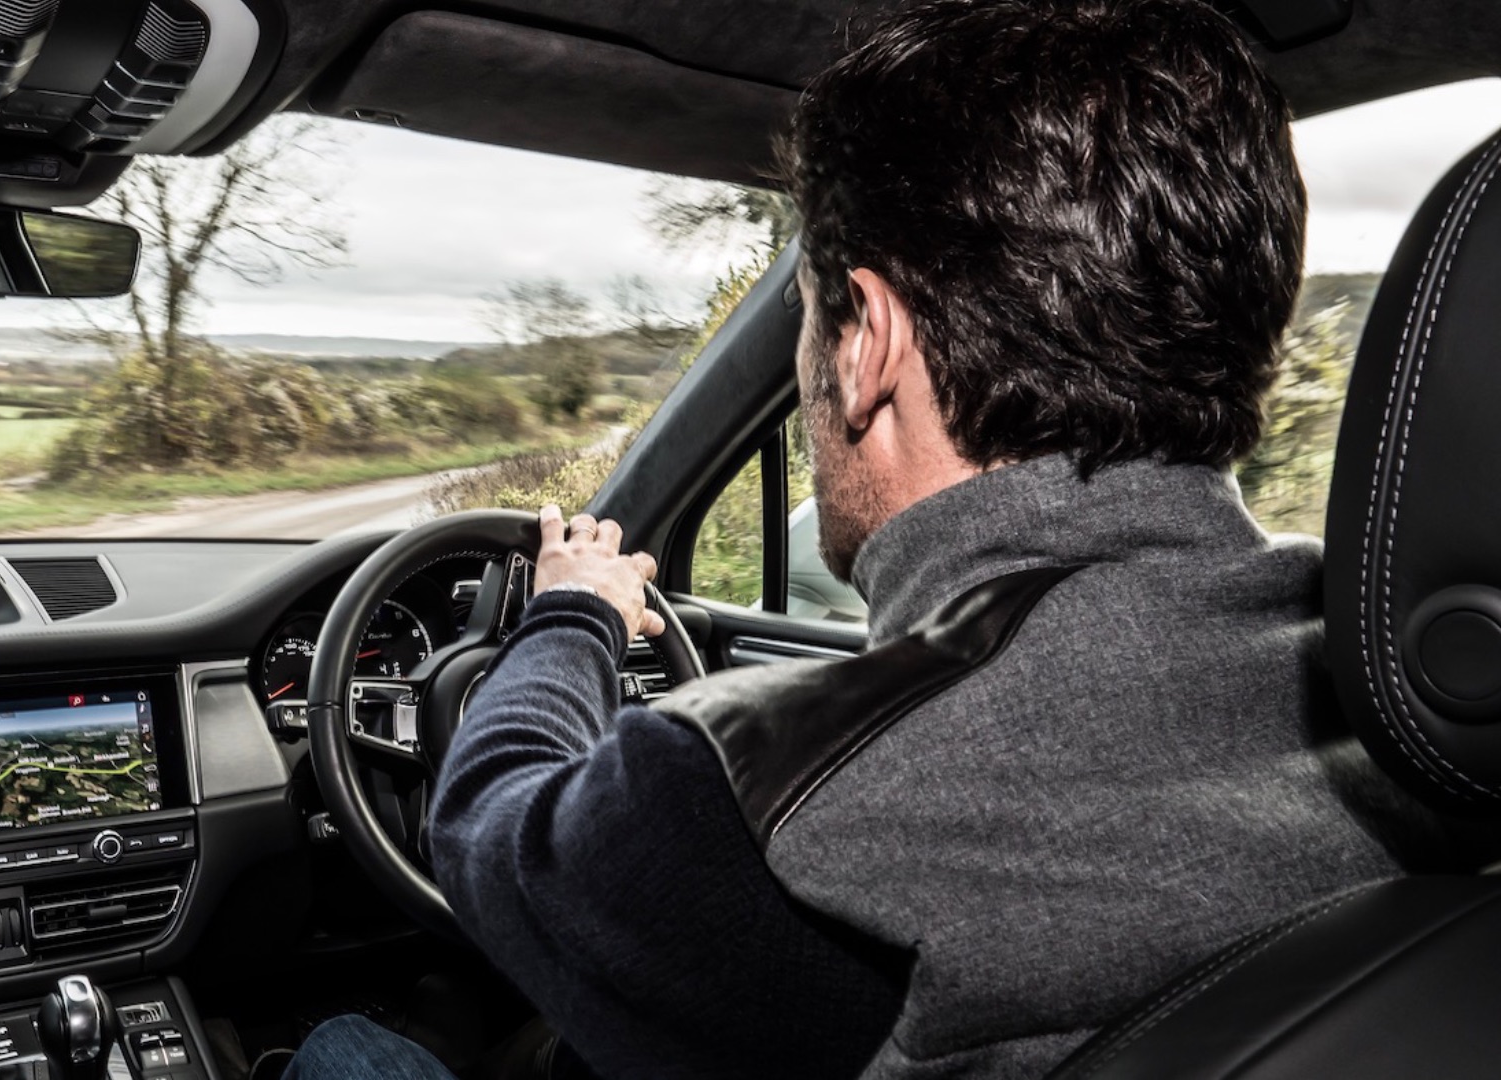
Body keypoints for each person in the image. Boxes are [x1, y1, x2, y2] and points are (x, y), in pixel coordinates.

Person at [286, 0, 1423, 1076]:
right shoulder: (1407, 702)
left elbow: (485, 834)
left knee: (342, 1046)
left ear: (866, 340)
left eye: (804, 329)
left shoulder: (748, 794)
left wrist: (573, 614)